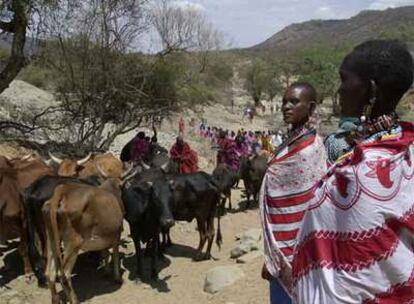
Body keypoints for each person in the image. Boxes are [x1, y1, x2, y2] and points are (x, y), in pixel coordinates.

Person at [292, 40, 414, 303]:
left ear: (369, 91)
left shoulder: (355, 173)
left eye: (344, 80)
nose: (339, 90)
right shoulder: (405, 151)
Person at [259, 82, 327, 304]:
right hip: (277, 248)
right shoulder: (290, 142)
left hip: (299, 252)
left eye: (294, 102)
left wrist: (279, 257)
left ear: (311, 107)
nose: (286, 107)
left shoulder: (310, 149)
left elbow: (306, 208)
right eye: (284, 102)